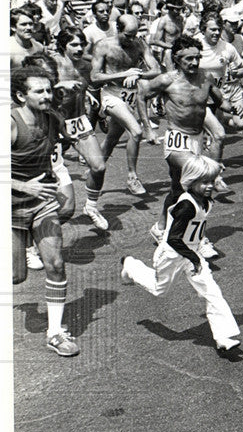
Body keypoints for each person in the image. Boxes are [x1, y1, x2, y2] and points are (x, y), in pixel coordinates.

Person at [121, 155, 240, 355]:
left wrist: (195, 255)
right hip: (172, 253)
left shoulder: (205, 200)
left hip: (190, 252)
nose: (210, 186)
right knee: (160, 290)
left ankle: (223, 336)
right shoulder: (186, 206)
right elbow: (173, 239)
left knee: (212, 291)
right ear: (191, 181)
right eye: (204, 182)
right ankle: (131, 266)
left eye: (212, 181)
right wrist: (194, 258)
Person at [10, 66, 86, 357]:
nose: (46, 95)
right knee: (16, 277)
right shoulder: (11, 123)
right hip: (10, 204)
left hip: (42, 202)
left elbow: (66, 139)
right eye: (38, 91)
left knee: (55, 263)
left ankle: (55, 333)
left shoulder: (53, 118)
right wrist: (22, 186)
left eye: (48, 89)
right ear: (20, 95)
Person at [139, 34, 227, 259]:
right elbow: (142, 96)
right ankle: (198, 239)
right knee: (199, 182)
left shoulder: (205, 77)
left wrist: (229, 106)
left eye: (197, 58)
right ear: (177, 59)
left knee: (179, 189)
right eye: (188, 59)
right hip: (176, 139)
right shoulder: (166, 80)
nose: (194, 63)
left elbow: (218, 99)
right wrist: (148, 129)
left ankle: (160, 227)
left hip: (196, 138)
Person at [89, 14, 161, 201]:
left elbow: (156, 70)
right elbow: (95, 77)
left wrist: (137, 75)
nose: (131, 39)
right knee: (136, 132)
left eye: (134, 35)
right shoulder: (103, 45)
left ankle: (94, 173)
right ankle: (132, 177)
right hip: (110, 94)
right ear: (118, 29)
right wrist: (124, 73)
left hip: (128, 95)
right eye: (128, 35)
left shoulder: (139, 44)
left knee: (112, 140)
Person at [51, 28, 109, 231]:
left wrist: (91, 98)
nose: (78, 48)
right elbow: (37, 89)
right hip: (54, 123)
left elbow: (90, 85)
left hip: (78, 121)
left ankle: (91, 207)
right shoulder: (52, 62)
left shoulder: (85, 65)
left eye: (81, 44)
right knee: (46, 176)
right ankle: (35, 230)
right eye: (73, 44)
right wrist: (60, 84)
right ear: (62, 45)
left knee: (99, 166)